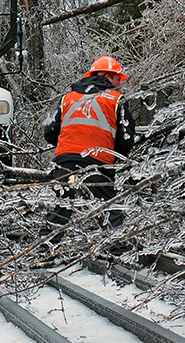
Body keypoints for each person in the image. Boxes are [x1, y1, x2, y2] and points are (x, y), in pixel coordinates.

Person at [42, 56, 135, 245]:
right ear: (107, 76)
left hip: (65, 161)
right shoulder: (116, 100)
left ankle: (45, 252)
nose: (119, 84)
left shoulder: (67, 98)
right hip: (98, 162)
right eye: (118, 79)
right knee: (108, 208)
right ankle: (118, 251)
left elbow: (49, 132)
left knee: (60, 207)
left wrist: (69, 147)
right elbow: (126, 139)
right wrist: (114, 155)